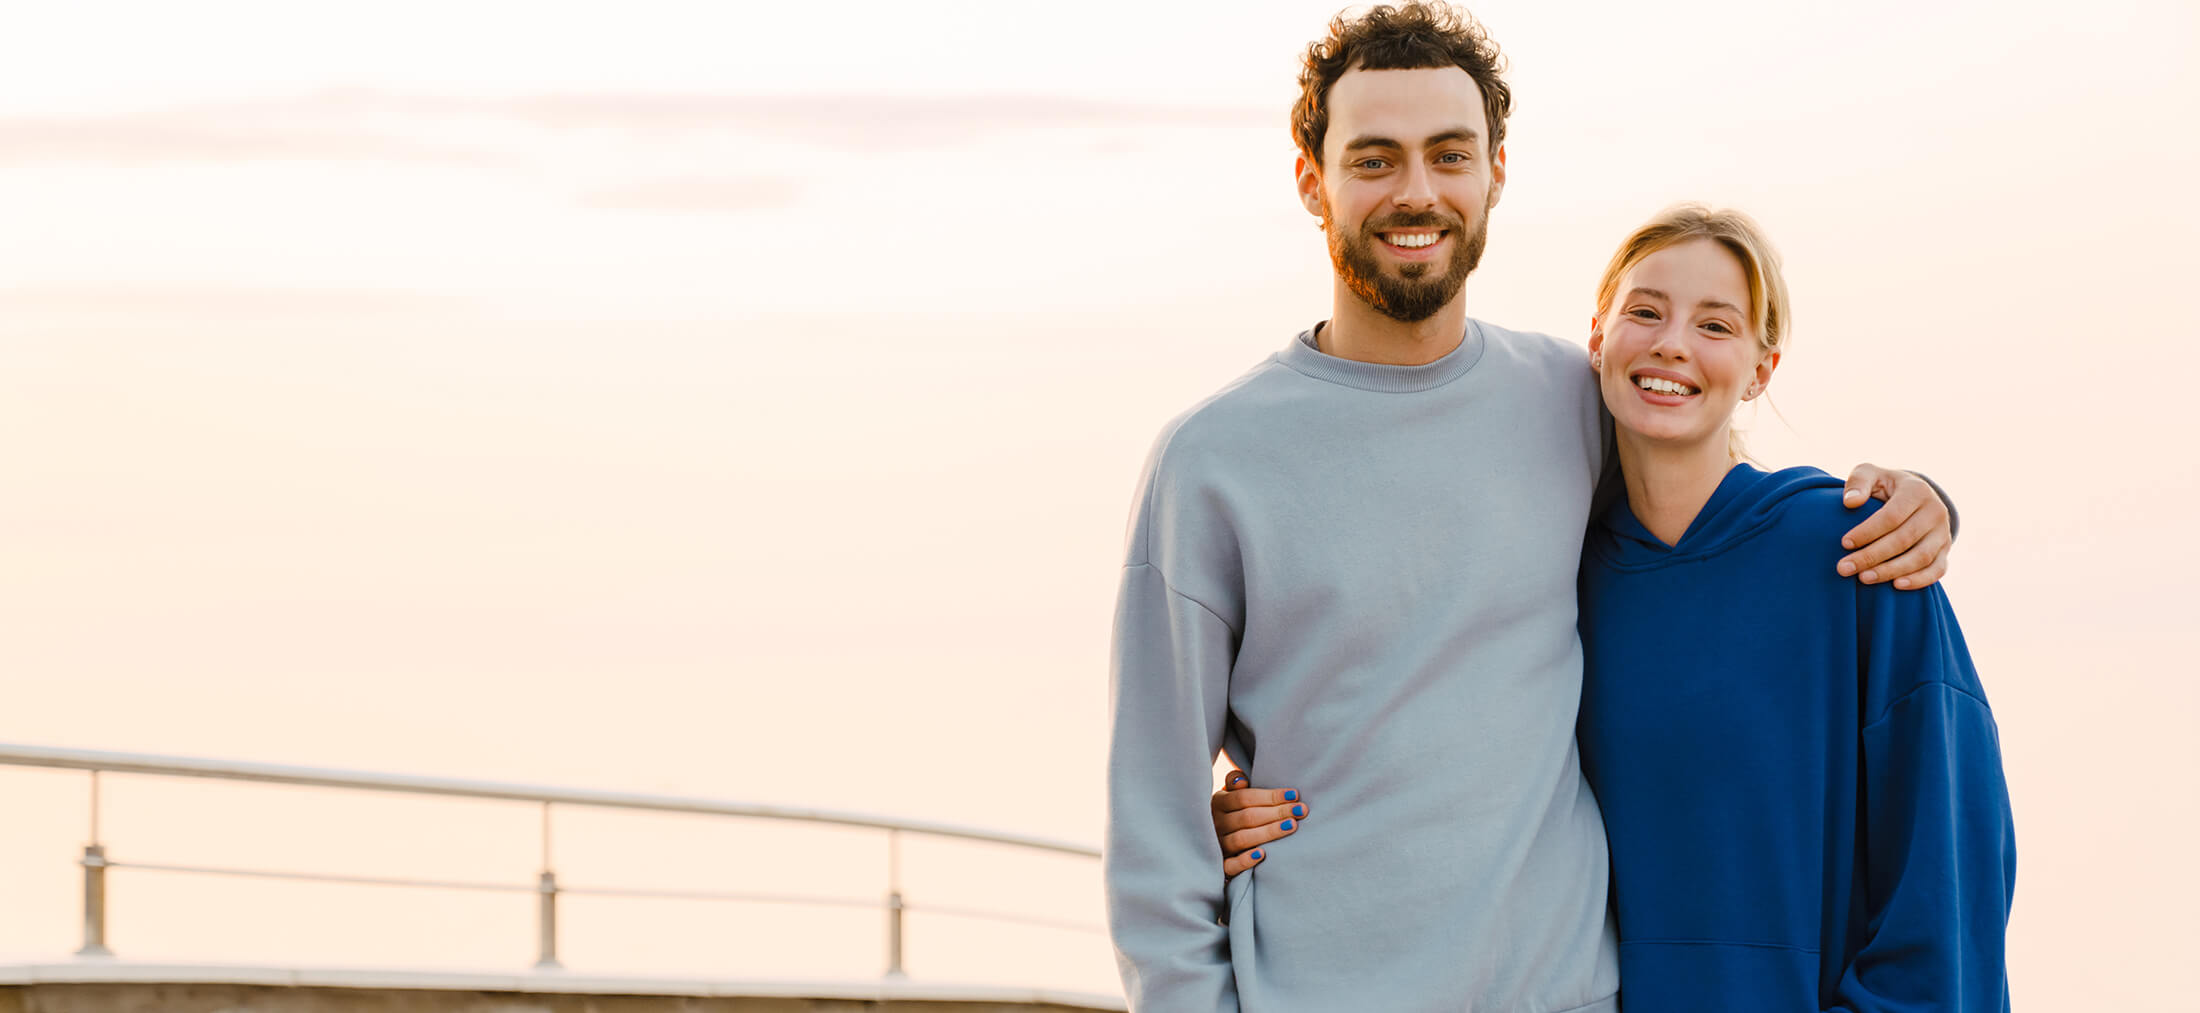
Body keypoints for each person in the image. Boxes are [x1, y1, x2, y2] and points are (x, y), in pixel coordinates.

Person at [1105, 3, 1959, 1009]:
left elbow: (1716, 512)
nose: (1416, 191)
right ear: (1311, 180)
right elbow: (1155, 831)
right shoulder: (1212, 463)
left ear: (1495, 174)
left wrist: (1927, 500)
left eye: (1449, 155)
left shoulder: (1570, 399)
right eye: (1374, 159)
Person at [1209, 205, 2015, 1011]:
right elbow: (1452, 762)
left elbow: (1949, 870)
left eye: (1715, 325)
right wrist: (1285, 819)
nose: (1672, 344)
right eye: (1646, 312)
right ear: (1597, 337)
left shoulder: (1853, 553)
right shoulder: (1560, 571)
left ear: (1762, 369)